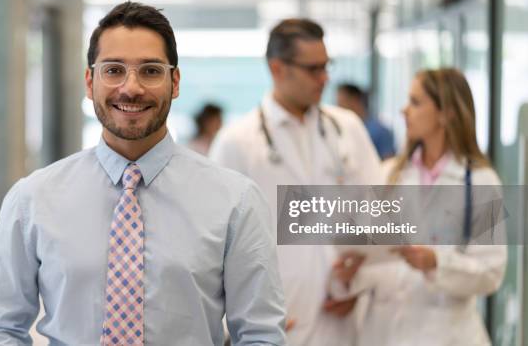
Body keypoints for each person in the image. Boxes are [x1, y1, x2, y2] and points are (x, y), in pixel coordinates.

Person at [0, 1, 287, 346]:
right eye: (113, 70)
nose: (131, 87)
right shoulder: (32, 199)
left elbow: (260, 335)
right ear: (90, 81)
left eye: (151, 70)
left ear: (175, 81)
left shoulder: (235, 202)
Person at [209, 18, 382, 346]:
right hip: (273, 324)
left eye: (326, 66)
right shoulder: (237, 142)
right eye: (313, 69)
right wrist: (238, 322)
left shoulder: (347, 129)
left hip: (342, 319)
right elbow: (216, 246)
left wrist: (361, 279)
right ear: (278, 69)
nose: (324, 78)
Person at [339, 68, 507, 346]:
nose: (404, 110)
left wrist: (436, 262)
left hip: (446, 333)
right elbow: (365, 248)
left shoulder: (481, 181)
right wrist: (353, 271)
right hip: (383, 331)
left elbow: (491, 273)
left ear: (446, 113)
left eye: (416, 102)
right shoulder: (387, 174)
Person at [336, 82, 396, 160]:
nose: (338, 108)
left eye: (342, 102)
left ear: (355, 100)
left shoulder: (380, 131)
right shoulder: (341, 130)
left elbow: (389, 164)